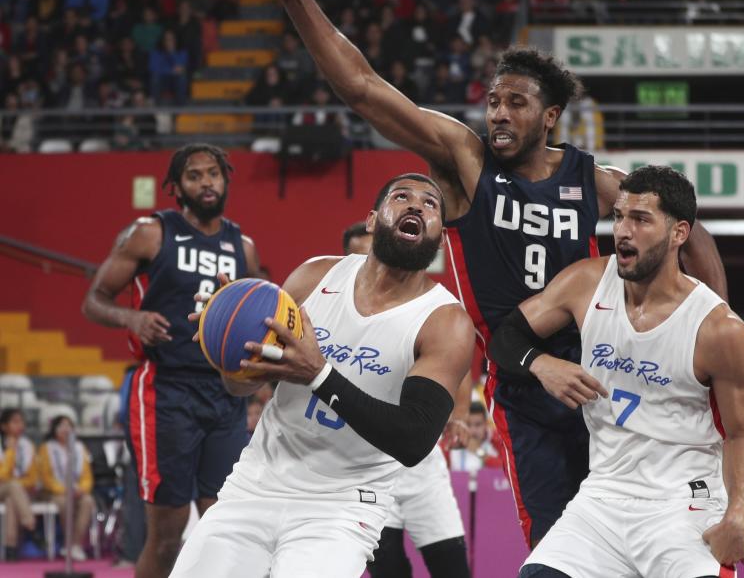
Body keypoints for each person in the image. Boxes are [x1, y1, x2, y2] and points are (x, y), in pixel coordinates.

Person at [229, 0, 727, 547]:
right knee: (555, 546)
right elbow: (363, 89)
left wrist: (714, 315)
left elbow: (691, 233)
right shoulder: (468, 162)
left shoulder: (593, 178)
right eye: (493, 100)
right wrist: (296, 0)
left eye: (516, 103)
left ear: (549, 116)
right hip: (521, 383)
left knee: (642, 537)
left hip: (606, 377)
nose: (497, 113)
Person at [169, 173, 474, 577]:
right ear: (372, 220)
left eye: (430, 204)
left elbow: (414, 440)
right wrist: (227, 342)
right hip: (256, 484)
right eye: (401, 196)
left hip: (342, 505)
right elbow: (240, 385)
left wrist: (319, 374)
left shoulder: (445, 321)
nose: (416, 205)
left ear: (440, 238)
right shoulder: (315, 276)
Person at [489, 166, 744, 577]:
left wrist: (737, 517)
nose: (622, 231)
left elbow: (742, 434)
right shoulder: (586, 282)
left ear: (679, 233)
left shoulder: (718, 329)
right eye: (618, 216)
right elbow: (505, 338)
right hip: (602, 498)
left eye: (641, 219)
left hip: (684, 504)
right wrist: (541, 364)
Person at [82, 143, 262, 578]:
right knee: (167, 535)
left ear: (225, 180)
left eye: (213, 174)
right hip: (164, 390)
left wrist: (260, 380)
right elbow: (94, 301)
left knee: (224, 526)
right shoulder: (150, 232)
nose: (206, 182)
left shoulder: (244, 246)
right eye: (195, 175)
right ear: (176, 186)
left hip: (224, 392)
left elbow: (261, 313)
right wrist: (132, 316)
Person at [341, 220, 471, 578]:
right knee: (390, 570)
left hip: (421, 464)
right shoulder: (334, 314)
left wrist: (459, 414)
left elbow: (457, 367)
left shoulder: (428, 311)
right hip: (363, 466)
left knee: (453, 569)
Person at [36, 415, 95, 562]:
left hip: (76, 490)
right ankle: (70, 544)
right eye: (62, 426)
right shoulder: (46, 448)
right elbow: (46, 477)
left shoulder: (80, 448)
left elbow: (87, 476)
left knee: (88, 501)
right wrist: (64, 490)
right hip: (54, 491)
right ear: (54, 429)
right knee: (63, 503)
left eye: (69, 426)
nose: (66, 429)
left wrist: (82, 489)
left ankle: (74, 545)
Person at [0, 408, 37, 560]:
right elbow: (2, 476)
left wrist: (18, 483)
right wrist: (10, 452)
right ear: (3, 426)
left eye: (22, 421)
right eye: (15, 421)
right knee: (13, 487)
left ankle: (11, 548)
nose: (20, 425)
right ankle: (30, 522)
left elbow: (33, 478)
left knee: (12, 499)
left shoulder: (28, 445)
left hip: (18, 493)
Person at [448, 401, 502, 472]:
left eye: (478, 424)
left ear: (486, 424)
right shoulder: (452, 442)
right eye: (468, 425)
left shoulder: (498, 440)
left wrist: (478, 451)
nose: (473, 431)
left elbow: (507, 469)